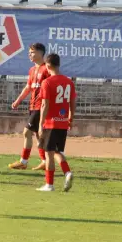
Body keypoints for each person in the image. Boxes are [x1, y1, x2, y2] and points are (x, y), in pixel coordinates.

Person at [37, 53, 75, 192]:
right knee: (57, 151)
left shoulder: (46, 82)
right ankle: (67, 172)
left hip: (50, 124)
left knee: (48, 153)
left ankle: (49, 184)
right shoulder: (69, 82)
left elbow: (44, 105)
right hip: (63, 123)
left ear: (47, 66)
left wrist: (41, 124)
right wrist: (71, 118)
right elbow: (72, 102)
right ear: (59, 64)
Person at [9, 43, 49, 171]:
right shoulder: (32, 70)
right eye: (29, 52)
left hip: (40, 106)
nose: (29, 54)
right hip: (32, 105)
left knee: (27, 132)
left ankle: (23, 161)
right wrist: (18, 100)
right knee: (38, 136)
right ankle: (44, 161)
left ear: (40, 53)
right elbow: (28, 87)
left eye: (32, 52)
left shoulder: (46, 69)